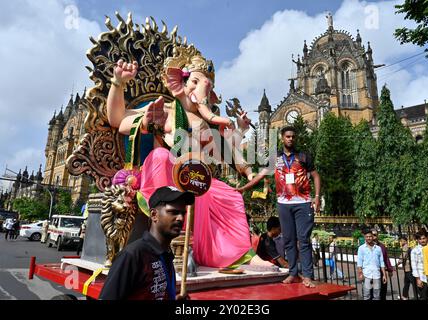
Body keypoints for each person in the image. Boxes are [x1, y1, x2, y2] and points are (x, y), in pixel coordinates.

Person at [106, 50, 272, 270]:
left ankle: (241, 255)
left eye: (207, 86)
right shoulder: (165, 109)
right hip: (167, 180)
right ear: (180, 83)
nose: (200, 89)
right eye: (194, 81)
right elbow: (117, 120)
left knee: (229, 195)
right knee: (161, 156)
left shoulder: (207, 125)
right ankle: (172, 236)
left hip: (195, 182)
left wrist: (249, 172)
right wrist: (119, 84)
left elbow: (229, 153)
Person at [238, 126, 321, 287]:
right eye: (288, 136)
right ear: (282, 138)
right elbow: (261, 176)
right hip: (284, 204)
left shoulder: (303, 156)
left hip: (303, 203)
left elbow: (316, 176)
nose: (290, 139)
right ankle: (292, 273)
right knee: (289, 240)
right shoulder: (275, 158)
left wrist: (316, 197)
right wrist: (243, 188)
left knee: (303, 240)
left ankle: (308, 276)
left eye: (293, 136)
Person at [99, 186, 194, 300]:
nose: (180, 218)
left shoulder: (166, 255)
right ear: (154, 215)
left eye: (183, 213)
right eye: (173, 212)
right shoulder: (132, 255)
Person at [357, 229, 387, 300]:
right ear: (365, 237)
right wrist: (360, 274)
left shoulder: (378, 248)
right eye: (367, 237)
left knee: (377, 295)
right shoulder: (361, 248)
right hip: (366, 274)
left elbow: (382, 262)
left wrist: (384, 275)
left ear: (372, 237)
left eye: (370, 236)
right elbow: (359, 263)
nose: (369, 238)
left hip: (376, 274)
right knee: (366, 295)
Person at [371, 229, 393, 300]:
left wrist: (390, 269)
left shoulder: (382, 246)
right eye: (372, 235)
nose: (373, 237)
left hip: (382, 272)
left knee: (383, 292)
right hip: (371, 273)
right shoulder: (366, 247)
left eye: (375, 235)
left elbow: (386, 258)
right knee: (372, 292)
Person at [411, 230, 428, 300]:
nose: (422, 240)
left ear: (427, 238)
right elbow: (414, 266)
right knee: (423, 297)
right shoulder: (415, 250)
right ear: (417, 240)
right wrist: (418, 279)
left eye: (423, 238)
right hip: (422, 278)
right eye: (420, 239)